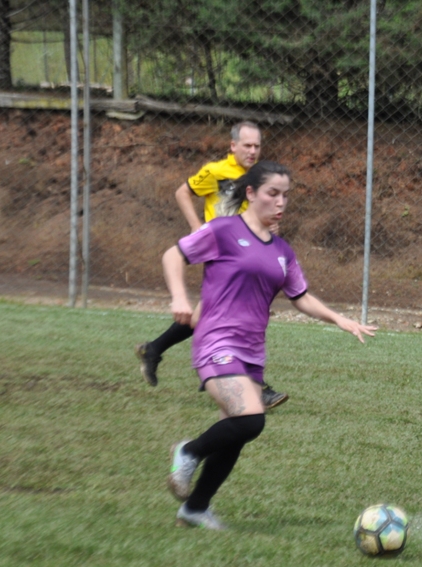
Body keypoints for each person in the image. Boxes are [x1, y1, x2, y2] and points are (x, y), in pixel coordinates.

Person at [162, 161, 377, 529]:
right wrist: (179, 297)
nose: (280, 203)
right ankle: (188, 451)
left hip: (251, 352)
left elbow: (301, 296)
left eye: (285, 196)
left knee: (235, 431)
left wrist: (339, 319)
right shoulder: (223, 230)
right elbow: (173, 255)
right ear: (250, 194)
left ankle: (195, 508)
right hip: (216, 341)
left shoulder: (282, 251)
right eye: (272, 194)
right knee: (251, 419)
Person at [135, 121, 290, 409]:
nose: (253, 151)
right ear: (233, 146)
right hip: (223, 252)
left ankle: (156, 350)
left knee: (205, 316)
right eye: (247, 145)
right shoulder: (216, 172)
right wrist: (197, 227)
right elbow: (183, 192)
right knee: (233, 314)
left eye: (257, 146)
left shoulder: (260, 176)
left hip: (248, 255)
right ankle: (253, 386)